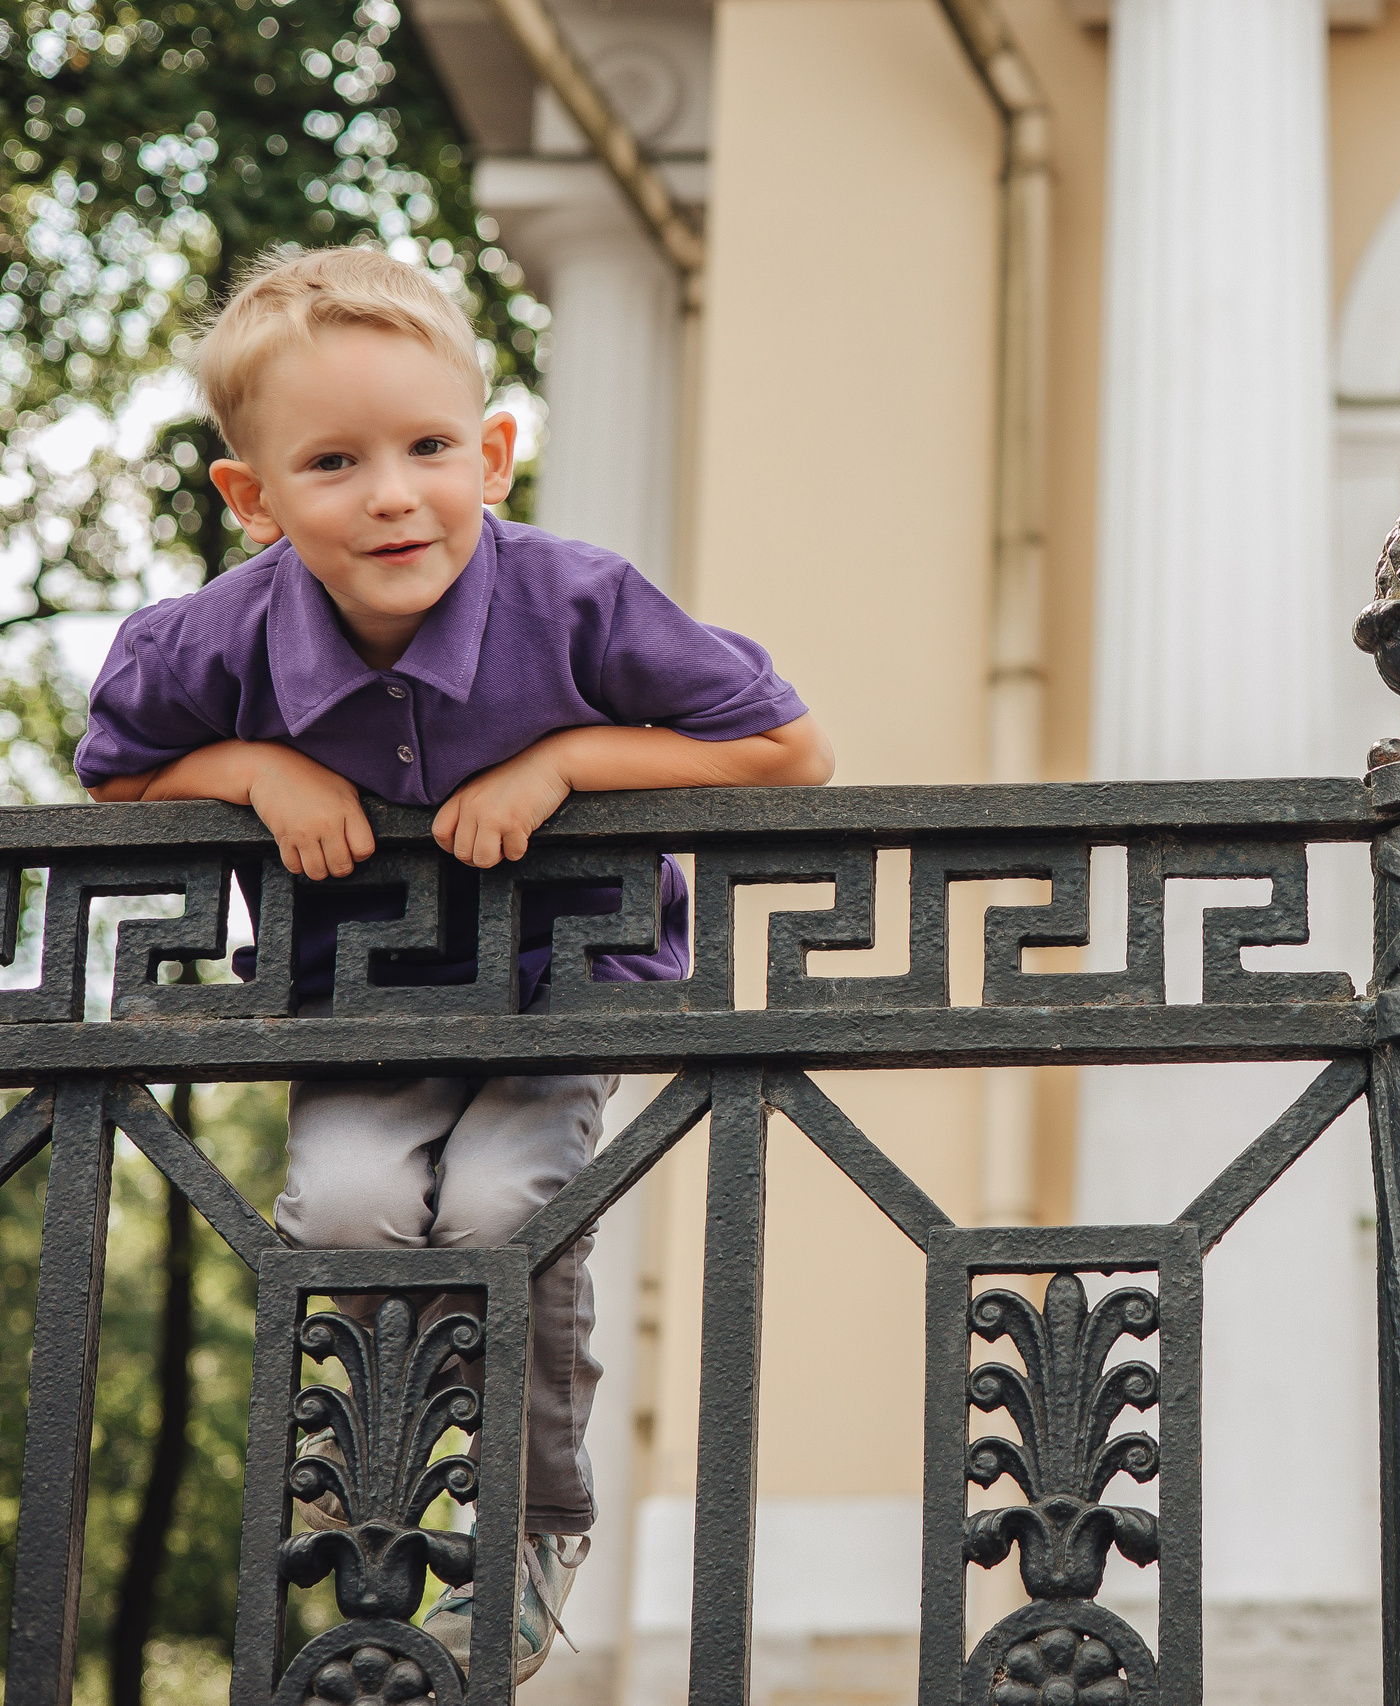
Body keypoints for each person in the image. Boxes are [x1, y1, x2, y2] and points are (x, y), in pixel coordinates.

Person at [74, 246, 833, 1682]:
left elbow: (788, 750)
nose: (392, 494)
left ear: (490, 454)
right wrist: (253, 770)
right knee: (349, 1206)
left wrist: (566, 762)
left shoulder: (580, 599)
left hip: (562, 984)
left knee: (498, 1209)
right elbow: (113, 772)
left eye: (429, 448)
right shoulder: (216, 638)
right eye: (334, 461)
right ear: (254, 496)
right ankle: (368, 1457)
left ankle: (534, 1519)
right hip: (365, 999)